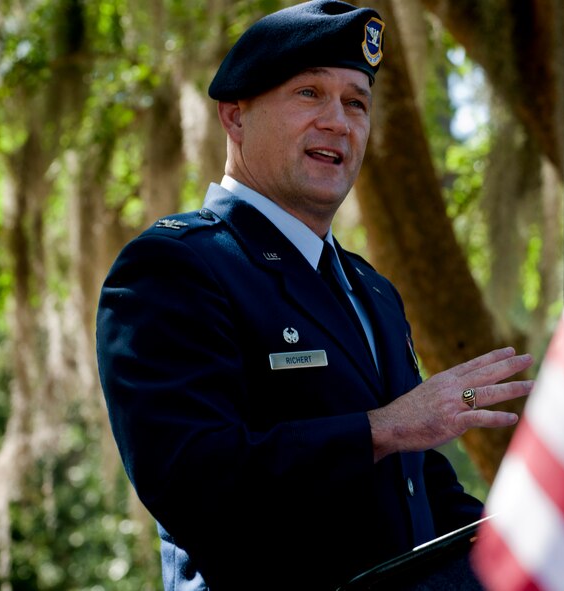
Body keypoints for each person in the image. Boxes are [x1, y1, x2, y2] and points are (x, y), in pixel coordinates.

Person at [95, 1, 534, 589]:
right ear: (235, 116)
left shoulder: (371, 289)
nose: (338, 121)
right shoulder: (175, 266)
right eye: (309, 93)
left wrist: (536, 549)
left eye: (357, 102)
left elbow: (420, 488)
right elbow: (191, 477)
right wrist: (383, 428)